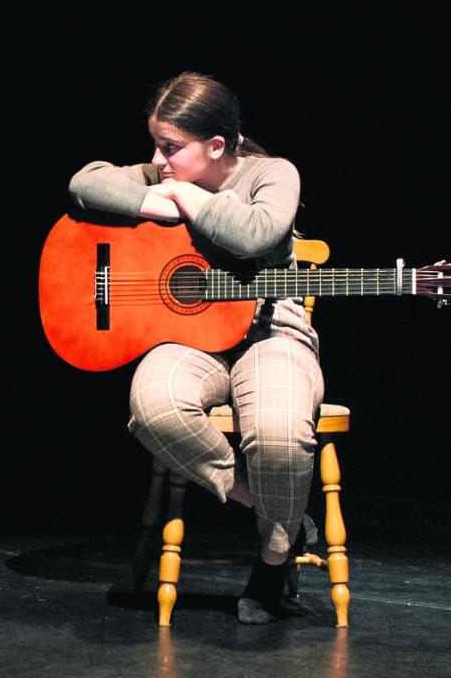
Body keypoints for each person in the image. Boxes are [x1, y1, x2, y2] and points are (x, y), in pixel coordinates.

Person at [68, 72, 324, 623]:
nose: (158, 161)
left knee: (280, 431)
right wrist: (150, 198)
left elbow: (255, 234)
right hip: (189, 338)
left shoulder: (272, 173)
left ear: (215, 146)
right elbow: (84, 183)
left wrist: (183, 194)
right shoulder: (157, 172)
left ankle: (273, 560)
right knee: (154, 404)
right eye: (156, 145)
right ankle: (269, 510)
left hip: (269, 333)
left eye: (170, 148)